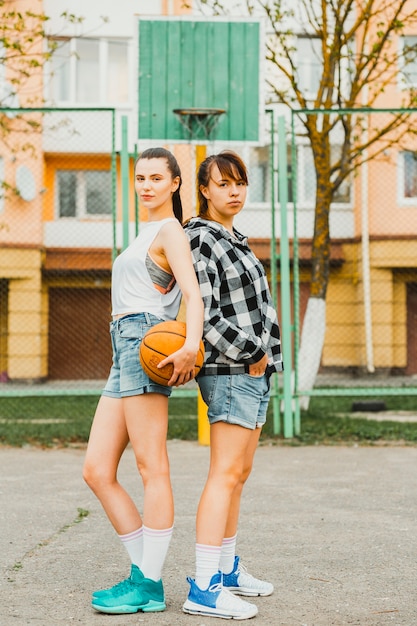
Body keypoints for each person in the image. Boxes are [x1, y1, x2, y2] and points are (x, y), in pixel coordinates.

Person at [83, 147, 204, 615]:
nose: (147, 185)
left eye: (157, 177)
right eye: (140, 177)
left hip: (146, 338)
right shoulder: (143, 233)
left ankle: (148, 583)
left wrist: (191, 344)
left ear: (176, 183)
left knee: (152, 466)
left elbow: (191, 294)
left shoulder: (170, 229)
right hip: (123, 344)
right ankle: (144, 575)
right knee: (96, 469)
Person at [182, 150, 283, 620]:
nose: (234, 191)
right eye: (223, 184)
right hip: (230, 372)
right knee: (224, 475)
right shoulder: (201, 239)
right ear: (204, 190)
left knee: (238, 477)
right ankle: (203, 586)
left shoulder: (234, 239)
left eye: (240, 182)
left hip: (254, 373)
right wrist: (254, 352)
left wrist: (268, 357)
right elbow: (205, 313)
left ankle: (225, 569)